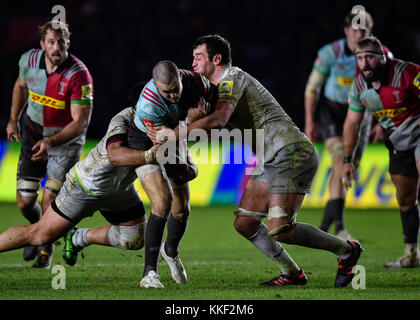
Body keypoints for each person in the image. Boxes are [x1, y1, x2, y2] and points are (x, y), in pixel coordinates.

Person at [147, 34, 363, 288]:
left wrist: (175, 133)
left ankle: (347, 250)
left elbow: (218, 120)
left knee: (281, 228)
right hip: (270, 158)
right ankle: (292, 274)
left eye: (198, 57)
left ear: (216, 59)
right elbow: (208, 126)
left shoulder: (230, 79)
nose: (193, 63)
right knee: (246, 223)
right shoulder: (216, 91)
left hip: (290, 151)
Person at [0, 107, 159, 275]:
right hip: (87, 185)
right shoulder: (125, 118)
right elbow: (114, 154)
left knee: (134, 238)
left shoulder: (163, 120)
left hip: (119, 189)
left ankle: (79, 237)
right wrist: (149, 156)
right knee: (40, 235)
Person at [5, 20, 94, 268]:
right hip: (34, 133)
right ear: (43, 44)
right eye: (51, 42)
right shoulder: (29, 61)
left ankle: (45, 250)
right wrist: (13, 120)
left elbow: (81, 123)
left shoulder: (79, 75)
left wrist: (52, 142)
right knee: (24, 201)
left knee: (49, 201)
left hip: (65, 142)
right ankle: (37, 234)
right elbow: (20, 86)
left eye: (61, 42)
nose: (57, 48)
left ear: (68, 44)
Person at [127, 60, 218, 288]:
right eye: (167, 92)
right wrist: (193, 120)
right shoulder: (149, 105)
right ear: (156, 85)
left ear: (180, 77)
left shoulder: (195, 81)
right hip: (147, 143)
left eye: (176, 88)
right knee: (162, 202)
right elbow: (161, 143)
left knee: (181, 209)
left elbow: (214, 98)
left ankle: (171, 251)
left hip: (174, 135)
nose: (174, 94)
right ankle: (149, 274)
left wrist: (202, 114)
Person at [304, 10, 392, 240]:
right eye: (355, 29)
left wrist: (382, 121)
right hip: (333, 112)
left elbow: (386, 91)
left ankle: (324, 226)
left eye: (363, 29)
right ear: (346, 31)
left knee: (350, 167)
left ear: (370, 32)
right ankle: (340, 228)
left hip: (362, 113)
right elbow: (312, 88)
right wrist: (310, 121)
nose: (358, 33)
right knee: (339, 161)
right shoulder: (330, 53)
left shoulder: (382, 55)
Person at [342, 36, 420, 268]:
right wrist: (348, 160)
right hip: (398, 142)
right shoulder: (358, 86)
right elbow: (352, 124)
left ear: (383, 58)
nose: (364, 63)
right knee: (405, 198)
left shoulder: (408, 73)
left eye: (370, 58)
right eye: (359, 58)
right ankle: (411, 254)